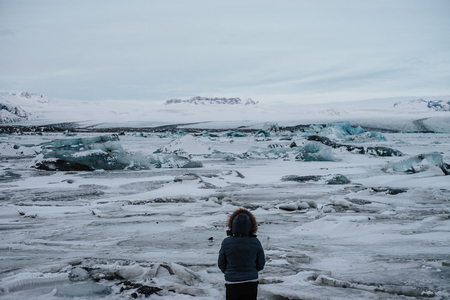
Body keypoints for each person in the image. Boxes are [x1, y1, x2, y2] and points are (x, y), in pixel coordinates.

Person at [218, 208, 265, 300]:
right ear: (252, 226)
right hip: (250, 281)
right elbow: (261, 264)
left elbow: (221, 263)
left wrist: (229, 272)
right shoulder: (255, 242)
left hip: (232, 282)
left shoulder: (226, 242)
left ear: (232, 225)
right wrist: (251, 271)